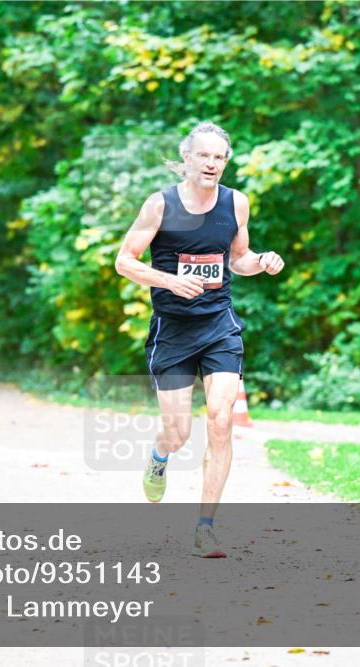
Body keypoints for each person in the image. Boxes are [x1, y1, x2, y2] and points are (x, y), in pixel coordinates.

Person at [114, 122, 285, 558]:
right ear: (187, 157)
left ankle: (205, 526)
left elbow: (238, 259)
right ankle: (160, 453)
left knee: (221, 420)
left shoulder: (236, 203)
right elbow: (124, 262)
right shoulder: (160, 205)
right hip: (172, 330)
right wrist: (169, 281)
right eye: (204, 156)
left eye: (219, 158)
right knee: (178, 432)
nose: (212, 164)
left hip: (218, 326)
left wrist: (261, 261)